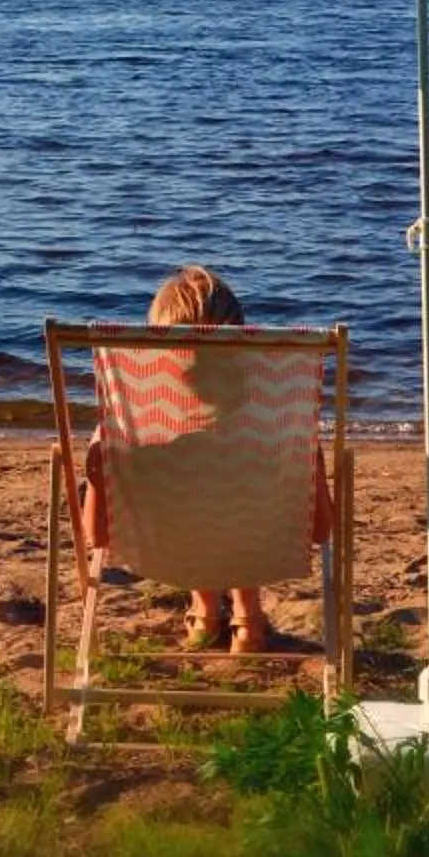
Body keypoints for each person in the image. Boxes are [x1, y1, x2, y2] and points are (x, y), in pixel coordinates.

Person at [81, 264, 283, 653]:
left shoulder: (133, 426)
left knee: (193, 488)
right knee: (236, 490)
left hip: (164, 545)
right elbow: (321, 527)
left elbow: (100, 535)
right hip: (266, 538)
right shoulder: (274, 418)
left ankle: (206, 614)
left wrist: (95, 468)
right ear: (238, 339)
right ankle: (248, 618)